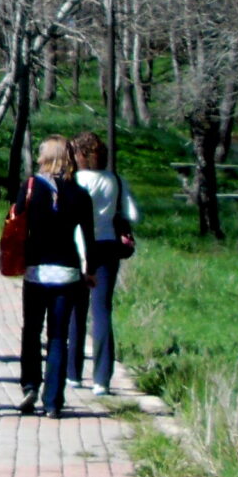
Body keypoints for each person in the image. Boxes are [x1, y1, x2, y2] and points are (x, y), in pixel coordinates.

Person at [16, 136, 96, 418]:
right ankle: (53, 401)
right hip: (67, 271)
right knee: (58, 336)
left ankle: (29, 385)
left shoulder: (29, 188)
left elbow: (17, 223)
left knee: (31, 330)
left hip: (36, 269)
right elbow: (89, 236)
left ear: (45, 157)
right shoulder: (79, 194)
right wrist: (91, 271)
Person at [70, 131, 139, 396]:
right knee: (102, 311)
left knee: (76, 309)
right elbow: (133, 213)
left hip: (79, 248)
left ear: (80, 156)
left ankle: (73, 373)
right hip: (108, 247)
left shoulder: (76, 181)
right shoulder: (116, 181)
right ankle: (102, 379)